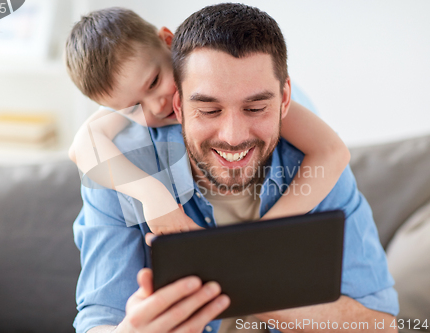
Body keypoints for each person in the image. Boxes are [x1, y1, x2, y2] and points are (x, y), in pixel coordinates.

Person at [71, 4, 399, 333]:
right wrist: (151, 194)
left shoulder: (305, 155)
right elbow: (98, 318)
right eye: (209, 109)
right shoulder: (120, 162)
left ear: (282, 99)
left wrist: (241, 259)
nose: (233, 135)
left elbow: (380, 325)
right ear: (179, 104)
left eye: (255, 107)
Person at [66, 7, 350, 236]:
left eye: (154, 82)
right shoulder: (148, 101)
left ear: (168, 41)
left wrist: (265, 233)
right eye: (132, 109)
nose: (156, 107)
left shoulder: (244, 93)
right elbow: (82, 145)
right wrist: (152, 195)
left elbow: (332, 151)